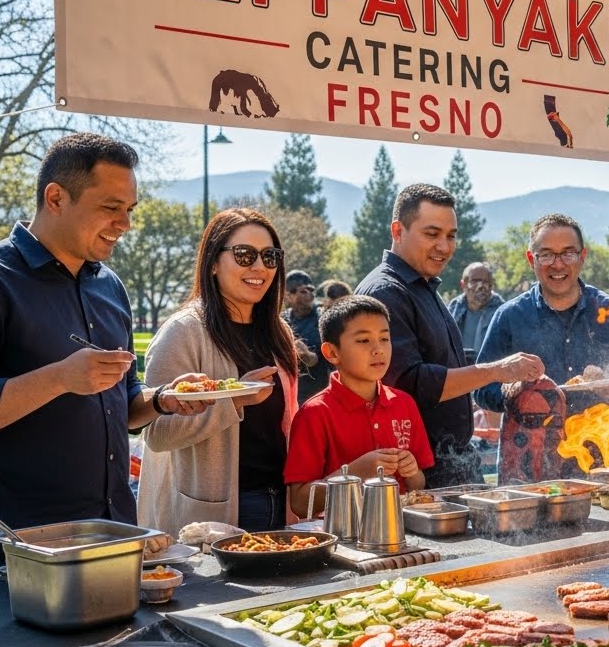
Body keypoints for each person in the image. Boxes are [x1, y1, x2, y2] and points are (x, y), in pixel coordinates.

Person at [0, 133, 210, 563]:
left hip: (113, 533)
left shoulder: (110, 286)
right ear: (56, 198)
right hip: (17, 548)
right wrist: (60, 378)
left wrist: (163, 400)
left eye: (129, 210)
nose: (126, 225)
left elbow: (124, 403)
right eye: (111, 208)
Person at [357, 184, 542, 487]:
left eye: (451, 235)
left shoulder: (421, 286)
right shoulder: (387, 292)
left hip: (451, 459)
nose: (444, 246)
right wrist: (495, 370)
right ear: (397, 230)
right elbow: (411, 384)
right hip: (417, 468)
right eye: (432, 234)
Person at [138, 208, 299, 535]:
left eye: (270, 256)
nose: (258, 267)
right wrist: (233, 400)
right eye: (244, 255)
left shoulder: (278, 331)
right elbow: (155, 434)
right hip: (210, 517)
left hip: (280, 501)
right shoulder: (183, 332)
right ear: (212, 263)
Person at [474, 214, 609, 483]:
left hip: (602, 464)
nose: (557, 264)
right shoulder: (509, 317)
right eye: (546, 255)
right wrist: (514, 391)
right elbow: (481, 389)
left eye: (567, 254)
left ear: (582, 256)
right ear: (531, 259)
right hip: (527, 468)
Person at [286, 295, 433, 517]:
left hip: (402, 529)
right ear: (332, 353)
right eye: (364, 341)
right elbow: (299, 502)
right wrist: (354, 474)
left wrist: (412, 472)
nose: (378, 349)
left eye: (384, 339)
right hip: (342, 537)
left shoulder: (404, 403)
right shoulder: (315, 413)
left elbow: (418, 484)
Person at [284, 269, 330, 404]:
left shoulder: (322, 317)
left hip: (318, 393)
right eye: (303, 291)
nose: (309, 295)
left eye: (311, 290)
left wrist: (306, 355)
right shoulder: (284, 319)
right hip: (292, 393)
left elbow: (317, 359)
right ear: (289, 295)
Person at [448, 262, 505, 355]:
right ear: (463, 285)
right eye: (474, 281)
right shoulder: (452, 310)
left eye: (485, 282)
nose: (480, 286)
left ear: (491, 286)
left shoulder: (502, 313)